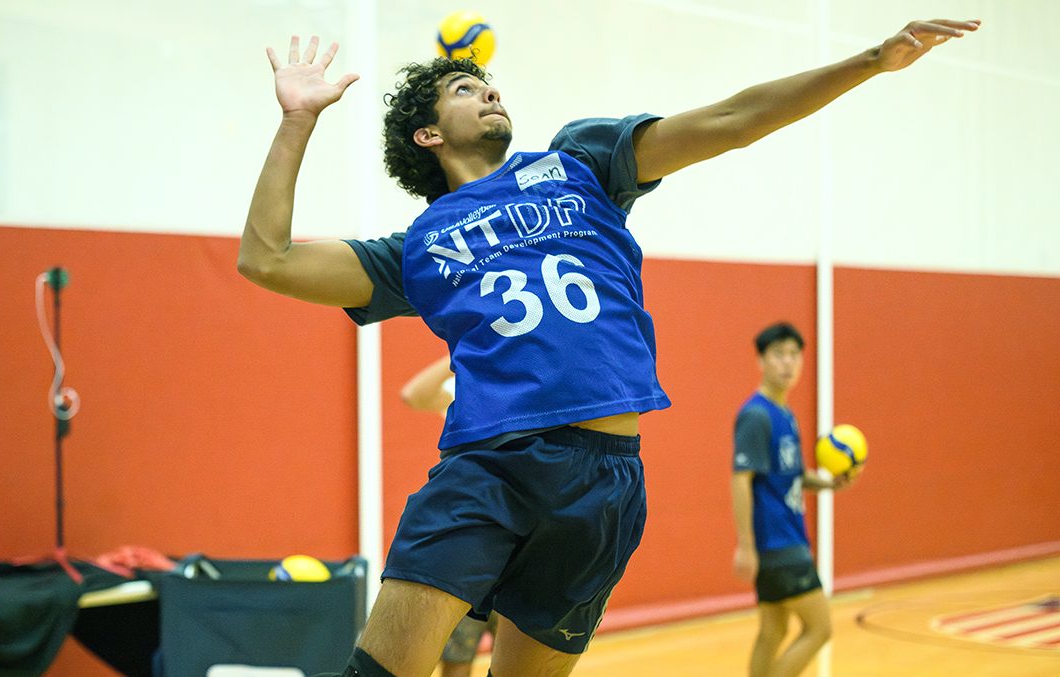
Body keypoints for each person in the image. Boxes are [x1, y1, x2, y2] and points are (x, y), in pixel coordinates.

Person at [238, 19, 978, 677]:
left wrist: (868, 62)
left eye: (490, 84)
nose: (490, 92)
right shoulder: (414, 248)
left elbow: (732, 120)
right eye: (467, 88)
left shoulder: (580, 160)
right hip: (489, 468)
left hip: (607, 481)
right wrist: (297, 120)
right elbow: (265, 259)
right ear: (428, 136)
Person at [730, 322, 855, 677]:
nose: (788, 363)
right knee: (820, 629)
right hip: (779, 542)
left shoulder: (787, 415)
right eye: (779, 355)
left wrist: (829, 484)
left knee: (774, 631)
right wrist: (746, 545)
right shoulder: (756, 415)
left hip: (786, 539)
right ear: (761, 361)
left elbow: (794, 476)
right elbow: (741, 480)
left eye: (794, 355)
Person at [401, 355, 498, 677]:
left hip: (527, 541)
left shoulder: (537, 389)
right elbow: (414, 394)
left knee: (523, 657)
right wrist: (463, 348)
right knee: (457, 657)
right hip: (472, 542)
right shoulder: (468, 395)